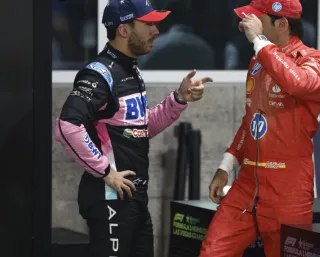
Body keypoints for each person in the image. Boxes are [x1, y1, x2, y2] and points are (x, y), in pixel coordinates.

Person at [54, 0, 213, 256]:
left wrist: (179, 99)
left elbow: (141, 128)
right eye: (148, 24)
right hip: (110, 197)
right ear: (124, 30)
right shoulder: (99, 73)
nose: (156, 31)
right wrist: (106, 171)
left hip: (134, 197)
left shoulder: (130, 70)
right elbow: (66, 126)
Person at [200, 0, 320, 256]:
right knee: (212, 252)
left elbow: (298, 83)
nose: (246, 24)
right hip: (247, 183)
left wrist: (260, 42)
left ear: (281, 24)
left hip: (289, 188)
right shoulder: (257, 62)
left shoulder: (312, 59)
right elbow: (252, 120)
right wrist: (226, 166)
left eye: (258, 20)